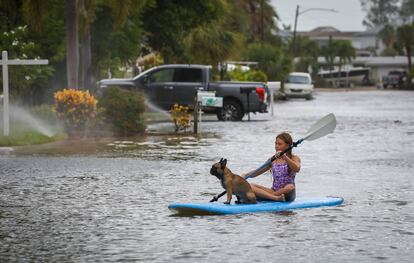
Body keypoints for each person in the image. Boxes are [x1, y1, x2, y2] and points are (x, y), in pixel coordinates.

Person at [243, 132, 301, 202]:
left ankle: (267, 197)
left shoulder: (294, 158)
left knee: (290, 187)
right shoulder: (273, 160)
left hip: (288, 192)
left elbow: (297, 169)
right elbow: (257, 171)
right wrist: (246, 175)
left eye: (279, 144)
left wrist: (285, 157)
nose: (276, 146)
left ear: (287, 146)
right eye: (275, 143)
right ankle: (275, 198)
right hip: (273, 191)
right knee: (249, 185)